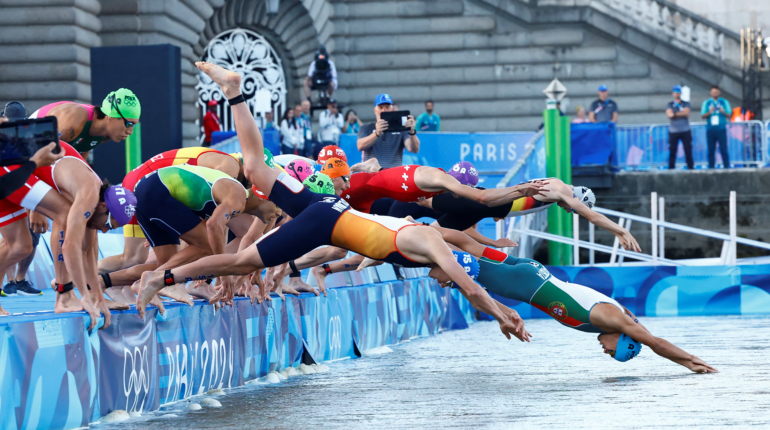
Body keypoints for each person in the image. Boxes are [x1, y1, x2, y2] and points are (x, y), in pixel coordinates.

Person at [139, 61, 524, 343]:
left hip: (329, 206)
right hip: (329, 220)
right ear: (457, 269)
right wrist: (502, 313)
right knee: (243, 260)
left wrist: (495, 265)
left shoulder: (431, 238)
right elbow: (472, 286)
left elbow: (468, 243)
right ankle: (161, 277)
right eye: (450, 283)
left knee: (254, 167)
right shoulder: (436, 249)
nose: (446, 286)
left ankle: (234, 91)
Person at [428, 250, 717, 373]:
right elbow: (654, 343)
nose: (605, 352)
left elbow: (642, 330)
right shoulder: (613, 318)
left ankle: (417, 228)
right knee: (448, 264)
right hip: (526, 283)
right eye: (613, 352)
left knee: (465, 253)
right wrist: (690, 361)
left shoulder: (615, 319)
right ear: (623, 339)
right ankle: (410, 229)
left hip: (532, 275)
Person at [97, 147, 249, 276]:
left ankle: (113, 283)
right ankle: (98, 279)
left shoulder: (224, 162)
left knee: (140, 258)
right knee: (195, 247)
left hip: (148, 182)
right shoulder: (230, 168)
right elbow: (214, 222)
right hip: (149, 185)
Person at [420, 177, 641, 253]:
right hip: (480, 202)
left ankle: (404, 226)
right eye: (573, 209)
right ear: (577, 199)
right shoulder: (562, 189)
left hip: (486, 208)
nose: (568, 210)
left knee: (432, 233)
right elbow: (592, 217)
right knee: (420, 201)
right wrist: (621, 230)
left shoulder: (556, 193)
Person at [342, 162, 548, 214]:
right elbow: (483, 197)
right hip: (362, 188)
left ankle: (375, 167)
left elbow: (488, 202)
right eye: (466, 188)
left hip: (379, 189)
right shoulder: (443, 181)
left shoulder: (441, 182)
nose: (462, 193)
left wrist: (519, 192)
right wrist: (520, 189)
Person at [29, 88, 141, 156]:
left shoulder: (104, 134)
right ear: (111, 116)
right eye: (128, 124)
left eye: (133, 125)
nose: (130, 131)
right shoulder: (75, 118)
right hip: (26, 147)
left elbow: (80, 157)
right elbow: (41, 152)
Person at [357, 94, 420, 169]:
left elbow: (414, 149)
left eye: (387, 107)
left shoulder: (401, 129)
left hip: (393, 174)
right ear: (375, 110)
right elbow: (360, 146)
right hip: (371, 174)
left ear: (392, 109)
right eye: (380, 107)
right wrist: (377, 133)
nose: (384, 110)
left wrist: (412, 132)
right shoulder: (367, 128)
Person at [700, 85, 731, 169]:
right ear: (710, 92)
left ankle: (726, 167)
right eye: (713, 92)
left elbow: (729, 114)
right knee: (711, 150)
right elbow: (703, 115)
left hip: (721, 129)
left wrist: (724, 112)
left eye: (716, 92)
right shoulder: (707, 103)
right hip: (711, 130)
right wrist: (709, 112)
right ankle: (711, 168)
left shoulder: (724, 102)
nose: (715, 93)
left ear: (719, 92)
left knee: (723, 149)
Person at [666, 85, 693, 170]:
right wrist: (681, 113)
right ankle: (671, 168)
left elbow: (686, 113)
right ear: (672, 93)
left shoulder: (686, 103)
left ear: (680, 93)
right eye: (675, 92)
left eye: (678, 92)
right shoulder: (670, 104)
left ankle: (691, 167)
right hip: (673, 131)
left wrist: (675, 114)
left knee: (688, 150)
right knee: (672, 151)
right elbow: (670, 115)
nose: (677, 93)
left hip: (685, 130)